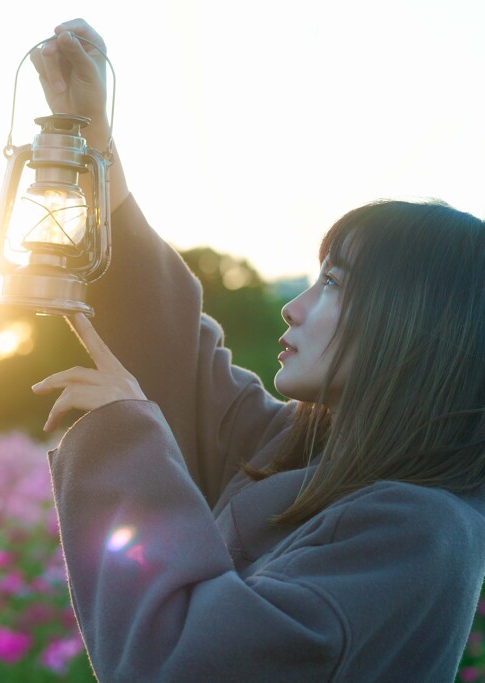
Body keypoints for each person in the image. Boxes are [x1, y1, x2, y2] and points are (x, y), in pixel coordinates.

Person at [29, 18, 485, 682]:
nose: (293, 306)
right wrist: (99, 150)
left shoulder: (417, 530)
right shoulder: (309, 453)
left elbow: (181, 667)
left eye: (332, 284)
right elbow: (181, 365)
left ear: (412, 325)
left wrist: (124, 439)